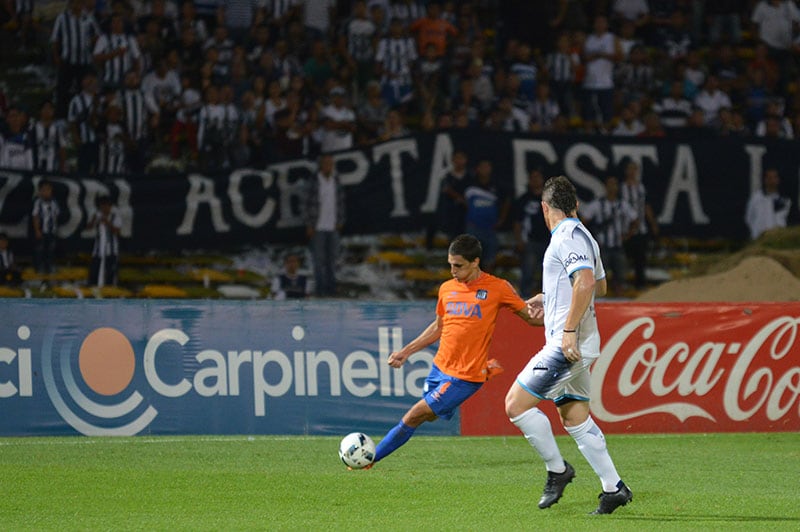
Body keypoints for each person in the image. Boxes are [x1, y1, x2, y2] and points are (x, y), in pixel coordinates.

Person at [505, 175, 633, 515]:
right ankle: (614, 488)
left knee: (515, 405)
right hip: (579, 341)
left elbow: (587, 282)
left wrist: (569, 329)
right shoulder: (585, 236)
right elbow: (598, 286)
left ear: (545, 208)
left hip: (569, 345)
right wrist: (551, 299)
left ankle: (558, 470)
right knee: (574, 416)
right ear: (575, 205)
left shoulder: (565, 236)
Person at [369, 234, 541, 466]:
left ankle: (369, 458)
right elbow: (439, 327)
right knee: (427, 416)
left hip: (464, 377)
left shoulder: (498, 288)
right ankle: (479, 373)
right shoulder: (447, 289)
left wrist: (565, 320)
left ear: (475, 262)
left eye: (458, 266)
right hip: (439, 368)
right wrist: (406, 352)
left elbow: (531, 319)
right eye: (450, 265)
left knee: (415, 415)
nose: (452, 271)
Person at [580, 175, 637, 295]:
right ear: (605, 187)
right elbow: (583, 220)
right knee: (598, 278)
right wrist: (591, 238)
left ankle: (619, 302)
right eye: (610, 184)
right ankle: (598, 303)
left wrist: (628, 235)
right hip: (602, 248)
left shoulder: (623, 205)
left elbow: (635, 219)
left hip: (618, 247)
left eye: (614, 184)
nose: (612, 187)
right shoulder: (597, 204)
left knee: (620, 278)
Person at [305, 153, 345, 297]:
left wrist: (340, 220)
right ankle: (320, 291)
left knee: (332, 260)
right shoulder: (314, 181)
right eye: (326, 163)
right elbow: (307, 203)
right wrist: (309, 224)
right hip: (318, 226)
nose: (329, 166)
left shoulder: (336, 179)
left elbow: (340, 201)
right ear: (321, 165)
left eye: (331, 163)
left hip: (333, 226)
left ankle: (331, 289)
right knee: (319, 261)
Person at [464, 159, 510, 273]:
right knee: (471, 260)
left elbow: (507, 201)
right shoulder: (470, 185)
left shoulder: (497, 187)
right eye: (482, 166)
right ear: (477, 169)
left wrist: (501, 219)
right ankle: (471, 289)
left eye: (487, 167)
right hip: (473, 227)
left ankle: (485, 289)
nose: (484, 169)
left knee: (489, 261)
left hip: (490, 228)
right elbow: (461, 200)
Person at [620, 159, 658, 289]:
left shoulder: (641, 187)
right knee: (623, 257)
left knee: (640, 258)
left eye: (634, 169)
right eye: (630, 169)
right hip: (624, 230)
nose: (632, 172)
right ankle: (621, 284)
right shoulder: (621, 188)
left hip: (640, 229)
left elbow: (646, 206)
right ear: (626, 171)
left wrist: (652, 224)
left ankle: (640, 284)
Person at [513, 168, 549, 298]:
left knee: (550, 273)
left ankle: (549, 299)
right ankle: (524, 299)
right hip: (530, 242)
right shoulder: (523, 200)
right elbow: (517, 223)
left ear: (543, 180)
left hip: (549, 242)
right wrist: (519, 241)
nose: (535, 180)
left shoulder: (550, 199)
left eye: (538, 177)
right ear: (529, 180)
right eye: (532, 177)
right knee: (528, 272)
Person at [745, 167, 791, 239]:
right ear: (765, 180)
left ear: (778, 179)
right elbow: (749, 218)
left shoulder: (785, 200)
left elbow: (784, 218)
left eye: (774, 177)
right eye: (769, 177)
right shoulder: (756, 198)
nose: (771, 180)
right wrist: (757, 229)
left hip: (778, 237)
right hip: (758, 237)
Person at [86, 195, 122, 287]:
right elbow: (88, 228)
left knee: (110, 273)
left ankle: (109, 291)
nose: (104, 208)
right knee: (94, 272)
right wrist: (94, 220)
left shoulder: (115, 217)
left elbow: (117, 232)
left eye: (107, 206)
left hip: (111, 250)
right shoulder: (97, 216)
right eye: (102, 206)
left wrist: (107, 222)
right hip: (98, 250)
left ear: (110, 206)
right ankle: (93, 289)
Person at [32, 179, 60, 275]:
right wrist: (37, 230)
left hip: (52, 231)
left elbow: (56, 216)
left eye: (48, 190)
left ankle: (49, 266)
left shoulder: (54, 202)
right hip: (42, 230)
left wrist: (55, 229)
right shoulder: (38, 202)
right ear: (39, 191)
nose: (46, 192)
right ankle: (39, 267)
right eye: (43, 190)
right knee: (40, 249)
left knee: (51, 249)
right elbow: (35, 217)